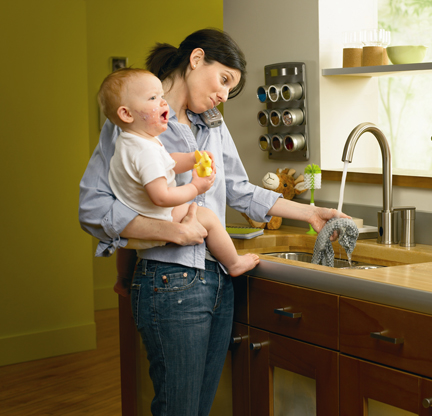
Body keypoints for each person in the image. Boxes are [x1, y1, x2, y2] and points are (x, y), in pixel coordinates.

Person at [79, 28, 346, 416]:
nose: (224, 95)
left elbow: (237, 187)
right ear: (197, 58)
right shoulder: (133, 122)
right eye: (223, 80)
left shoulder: (212, 123)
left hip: (217, 280)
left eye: (230, 89)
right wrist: (172, 231)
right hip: (169, 281)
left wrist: (309, 212)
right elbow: (93, 207)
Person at [96, 68, 259, 296]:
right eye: (153, 98)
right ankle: (234, 264)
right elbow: (161, 196)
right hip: (155, 212)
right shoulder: (145, 151)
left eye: (161, 96)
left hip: (137, 212)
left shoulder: (135, 141)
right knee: (207, 217)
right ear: (126, 114)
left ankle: (122, 279)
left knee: (127, 250)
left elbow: (168, 162)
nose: (164, 103)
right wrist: (195, 187)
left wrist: (193, 159)